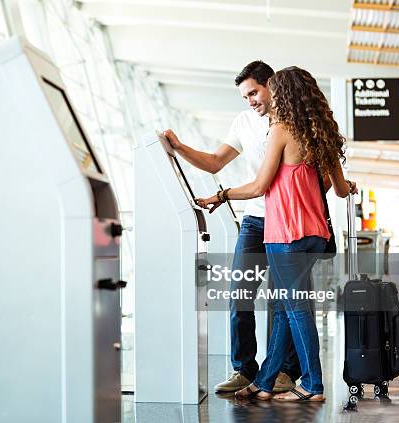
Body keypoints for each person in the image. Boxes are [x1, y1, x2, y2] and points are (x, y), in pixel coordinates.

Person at [195, 66, 358, 402]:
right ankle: (266, 381)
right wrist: (348, 185)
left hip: (286, 233)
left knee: (296, 308)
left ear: (281, 92)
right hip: (316, 233)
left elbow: (259, 185)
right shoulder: (322, 132)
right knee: (285, 308)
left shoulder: (282, 129)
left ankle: (313, 385)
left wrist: (220, 195)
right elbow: (340, 190)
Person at [162, 61, 300, 394]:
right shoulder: (244, 122)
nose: (250, 100)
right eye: (245, 96)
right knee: (241, 294)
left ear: (271, 84)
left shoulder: (294, 119)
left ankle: (285, 372)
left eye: (254, 92)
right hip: (254, 220)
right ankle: (244, 369)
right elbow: (214, 162)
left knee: (284, 300)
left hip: (287, 220)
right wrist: (179, 147)